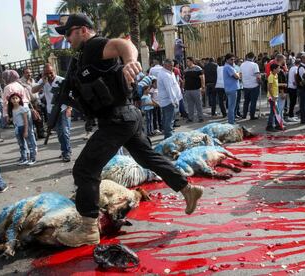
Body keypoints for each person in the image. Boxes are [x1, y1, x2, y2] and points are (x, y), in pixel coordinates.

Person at [54, 14, 203, 247]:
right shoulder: (84, 56)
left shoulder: (94, 45)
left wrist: (131, 61)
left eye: (68, 32)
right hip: (126, 116)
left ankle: (87, 229)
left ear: (83, 30)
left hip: (117, 119)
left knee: (84, 169)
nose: (66, 38)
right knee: (146, 157)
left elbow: (123, 44)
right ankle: (187, 188)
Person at [32, 64, 72, 162]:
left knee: (64, 131)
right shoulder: (43, 81)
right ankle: (65, 150)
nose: (49, 75)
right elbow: (33, 90)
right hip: (51, 111)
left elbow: (71, 94)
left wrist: (69, 109)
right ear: (43, 74)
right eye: (46, 73)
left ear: (54, 71)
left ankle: (66, 153)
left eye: (51, 72)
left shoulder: (61, 80)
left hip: (63, 109)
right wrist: (42, 83)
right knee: (59, 133)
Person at [7, 93, 37, 165]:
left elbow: (26, 121)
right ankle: (24, 159)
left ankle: (33, 159)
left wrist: (26, 131)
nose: (14, 100)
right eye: (13, 98)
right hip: (17, 128)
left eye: (16, 98)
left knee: (29, 143)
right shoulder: (12, 109)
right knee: (21, 144)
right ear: (10, 100)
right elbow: (14, 119)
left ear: (19, 99)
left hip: (24, 127)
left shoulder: (23, 109)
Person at [157, 59, 183, 138]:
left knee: (167, 118)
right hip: (168, 101)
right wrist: (174, 101)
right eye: (171, 65)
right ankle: (168, 135)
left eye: (172, 65)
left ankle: (168, 134)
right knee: (169, 119)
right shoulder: (165, 75)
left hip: (167, 100)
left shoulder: (167, 73)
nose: (172, 67)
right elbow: (169, 89)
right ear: (166, 65)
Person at [19, 67, 45, 139]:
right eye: (27, 73)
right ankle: (33, 135)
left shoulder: (32, 80)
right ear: (23, 73)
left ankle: (41, 133)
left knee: (39, 118)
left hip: (36, 102)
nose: (29, 74)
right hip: (28, 103)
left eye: (30, 72)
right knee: (30, 119)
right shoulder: (20, 82)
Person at [240, 52, 261, 120]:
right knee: (253, 101)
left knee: (246, 101)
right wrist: (260, 82)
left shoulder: (242, 65)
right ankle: (252, 115)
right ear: (253, 57)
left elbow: (240, 75)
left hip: (245, 85)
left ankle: (244, 115)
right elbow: (258, 76)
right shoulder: (255, 65)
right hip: (254, 85)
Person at [184, 57, 205, 123]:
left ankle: (201, 117)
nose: (187, 63)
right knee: (190, 105)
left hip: (196, 89)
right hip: (188, 90)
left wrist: (203, 87)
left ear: (192, 61)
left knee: (198, 104)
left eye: (188, 61)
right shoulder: (186, 70)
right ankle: (190, 118)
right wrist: (184, 88)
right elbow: (184, 80)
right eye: (186, 61)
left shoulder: (198, 68)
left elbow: (202, 77)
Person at [223, 53, 240, 124]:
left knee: (231, 106)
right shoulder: (228, 67)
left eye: (234, 59)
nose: (233, 61)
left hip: (229, 88)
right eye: (231, 59)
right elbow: (237, 76)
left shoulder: (227, 66)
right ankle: (231, 121)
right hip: (232, 89)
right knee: (232, 106)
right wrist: (238, 74)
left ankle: (231, 120)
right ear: (227, 60)